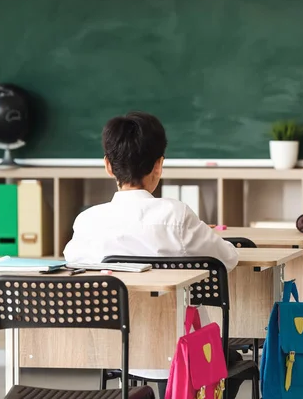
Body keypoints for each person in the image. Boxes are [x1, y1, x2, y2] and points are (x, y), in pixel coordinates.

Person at [63, 111, 244, 399]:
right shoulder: (176, 215)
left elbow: (72, 263)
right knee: (233, 358)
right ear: (158, 165)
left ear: (108, 166)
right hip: (181, 350)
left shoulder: (88, 221)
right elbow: (228, 260)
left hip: (114, 350)